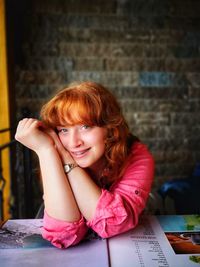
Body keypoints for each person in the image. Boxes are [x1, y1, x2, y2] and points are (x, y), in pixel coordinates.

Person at [15, 81, 154, 249]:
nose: (74, 143)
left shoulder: (136, 155)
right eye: (63, 129)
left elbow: (112, 224)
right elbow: (63, 235)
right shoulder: (54, 149)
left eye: (85, 126)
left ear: (110, 127)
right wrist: (45, 151)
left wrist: (67, 158)